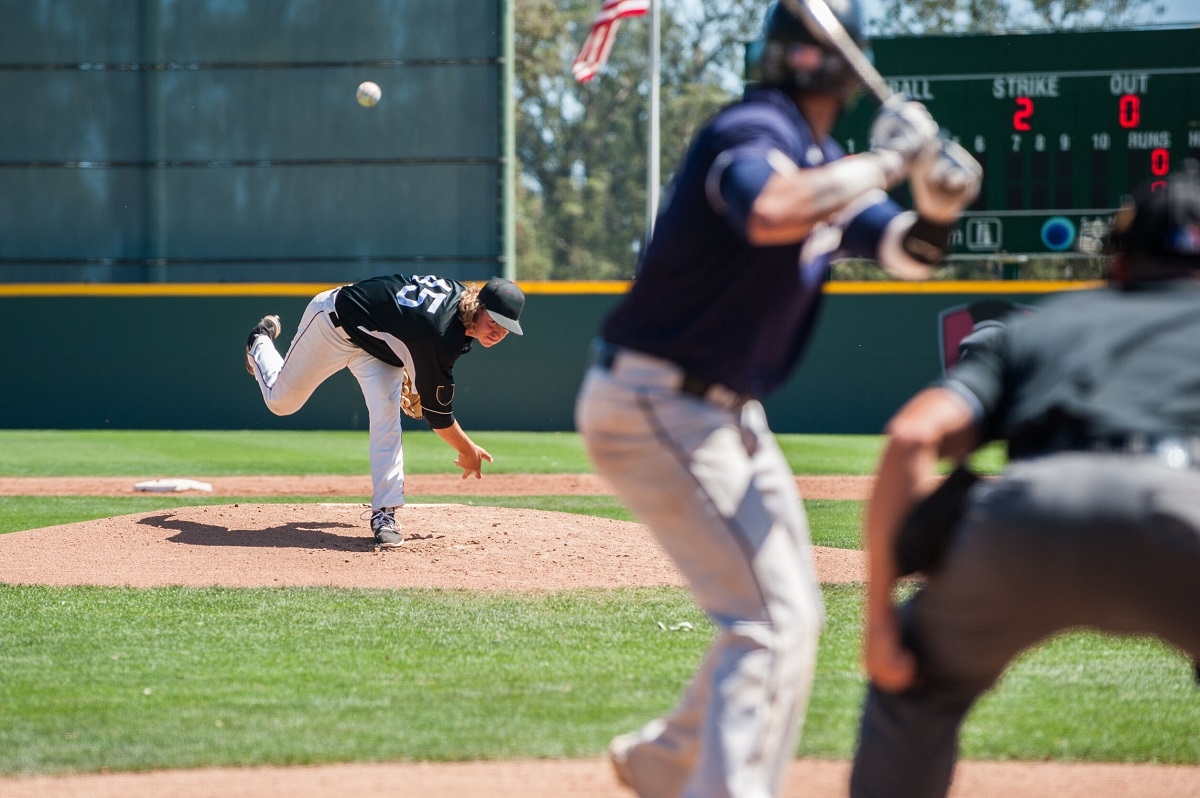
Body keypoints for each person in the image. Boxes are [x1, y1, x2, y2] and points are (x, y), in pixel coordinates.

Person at [572, 1, 981, 796]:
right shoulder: (752, 129)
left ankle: (667, 761)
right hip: (659, 398)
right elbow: (770, 210)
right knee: (769, 622)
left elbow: (904, 253)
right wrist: (887, 163)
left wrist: (936, 208)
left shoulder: (820, 155)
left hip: (718, 413)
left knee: (787, 616)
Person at [850, 160, 1200, 798]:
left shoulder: (1049, 327)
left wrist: (880, 628)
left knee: (917, 684)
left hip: (1027, 516)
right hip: (1186, 513)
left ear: (1119, 261)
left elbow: (911, 438)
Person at [245, 274, 525, 548]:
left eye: (506, 327)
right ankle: (258, 342)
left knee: (386, 417)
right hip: (335, 323)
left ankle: (385, 514)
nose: (498, 332)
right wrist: (468, 451)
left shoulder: (462, 306)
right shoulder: (439, 332)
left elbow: (410, 325)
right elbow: (439, 418)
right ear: (478, 306)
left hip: (379, 348)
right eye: (494, 322)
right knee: (281, 401)